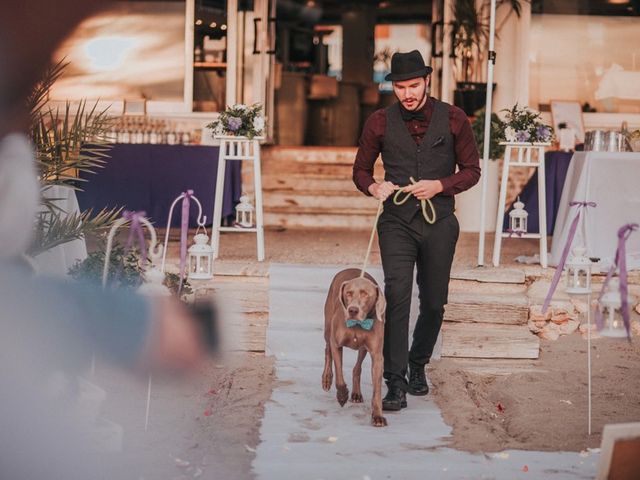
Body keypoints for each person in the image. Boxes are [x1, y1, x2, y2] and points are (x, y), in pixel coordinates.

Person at [352, 50, 480, 411]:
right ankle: (395, 380)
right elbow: (360, 171)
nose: (407, 94)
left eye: (414, 85)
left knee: (435, 301)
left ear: (427, 81)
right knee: (397, 293)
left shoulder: (455, 118)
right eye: (400, 87)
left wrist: (440, 185)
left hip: (439, 220)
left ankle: (418, 362)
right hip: (395, 222)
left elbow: (472, 170)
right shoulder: (378, 121)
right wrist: (374, 187)